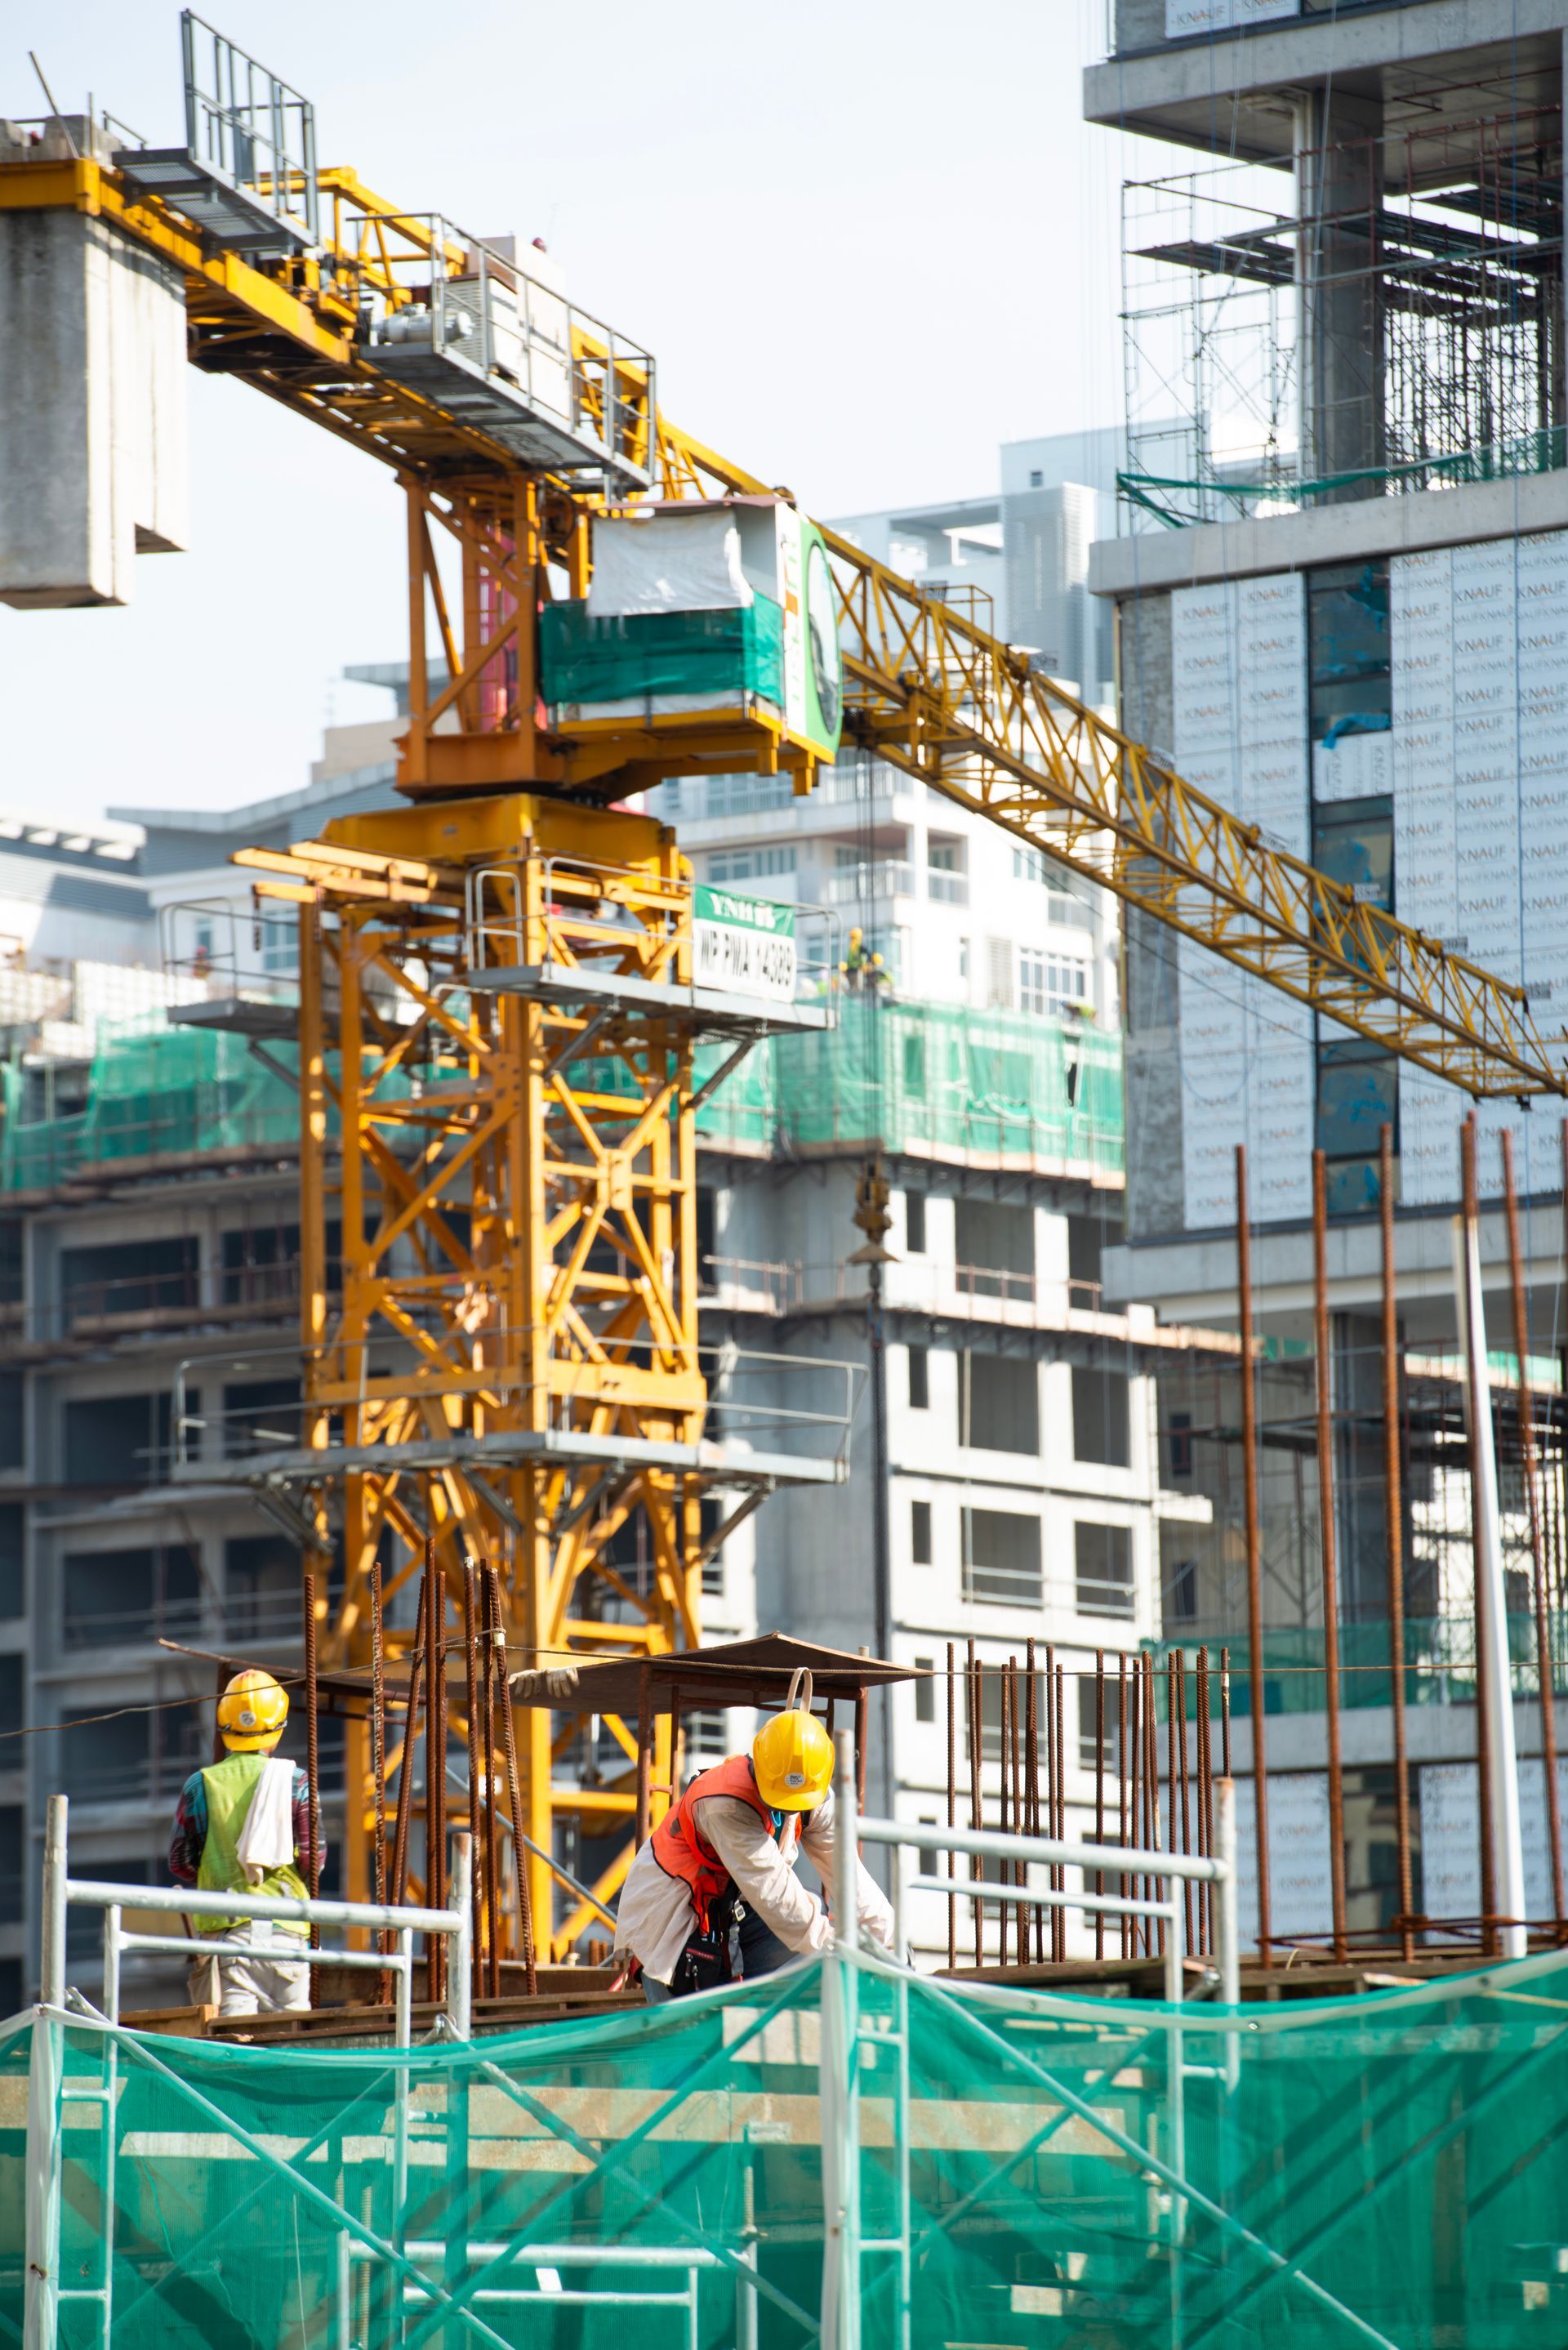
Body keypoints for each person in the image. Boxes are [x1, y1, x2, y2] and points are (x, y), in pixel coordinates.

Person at [614, 1678, 895, 1999]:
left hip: (736, 1910)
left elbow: (849, 1873)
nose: (789, 1809)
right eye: (780, 1800)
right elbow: (777, 1897)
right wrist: (845, 1952)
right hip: (675, 1919)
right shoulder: (724, 1805)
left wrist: (891, 1945)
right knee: (686, 2027)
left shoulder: (813, 1793)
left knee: (814, 1917)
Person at [168, 1669, 323, 2018]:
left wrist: (217, 1868)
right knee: (296, 2040)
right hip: (289, 1935)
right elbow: (315, 1858)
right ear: (278, 1728)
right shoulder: (295, 1782)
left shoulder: (199, 1784)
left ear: (224, 1729)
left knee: (238, 2043)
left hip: (227, 1935)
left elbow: (180, 1862)